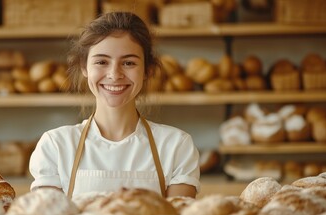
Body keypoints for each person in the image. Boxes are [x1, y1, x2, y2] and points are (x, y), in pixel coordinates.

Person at [29, 12, 200, 198]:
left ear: (147, 71)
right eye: (102, 61)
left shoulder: (176, 146)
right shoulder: (56, 146)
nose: (114, 74)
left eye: (128, 62)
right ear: (85, 68)